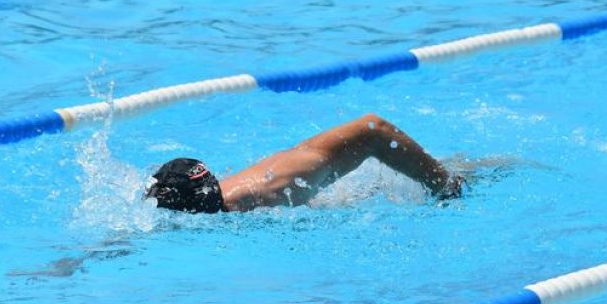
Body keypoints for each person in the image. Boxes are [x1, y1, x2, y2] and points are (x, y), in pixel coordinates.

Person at [145, 113, 466, 213]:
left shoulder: (276, 184)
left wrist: (443, 183)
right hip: (335, 196)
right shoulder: (215, 205)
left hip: (369, 178)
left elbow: (373, 128)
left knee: (476, 171)